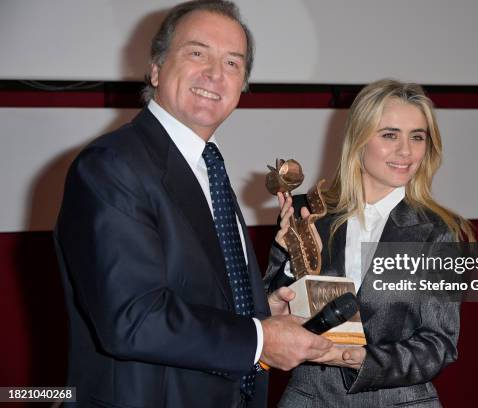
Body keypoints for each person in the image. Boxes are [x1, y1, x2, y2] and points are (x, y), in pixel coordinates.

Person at [54, 1, 331, 407]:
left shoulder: (209, 167)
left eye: (233, 63)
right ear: (156, 68)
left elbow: (199, 290)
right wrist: (260, 338)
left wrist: (259, 309)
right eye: (197, 53)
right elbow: (134, 319)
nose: (215, 74)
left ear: (242, 86)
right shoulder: (113, 166)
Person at [265, 79, 474, 407]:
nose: (406, 151)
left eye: (417, 137)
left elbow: (439, 345)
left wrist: (356, 358)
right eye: (390, 134)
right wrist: (293, 263)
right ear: (358, 138)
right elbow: (265, 310)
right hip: (309, 398)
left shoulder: (436, 232)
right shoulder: (309, 212)